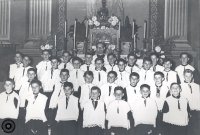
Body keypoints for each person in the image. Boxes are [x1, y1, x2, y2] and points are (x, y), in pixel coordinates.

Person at [181, 69, 200, 135]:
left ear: (192, 76)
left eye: (189, 76)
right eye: (186, 76)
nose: (188, 78)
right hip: (186, 111)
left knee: (196, 129)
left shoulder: (197, 86)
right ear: (183, 76)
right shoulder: (180, 86)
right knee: (186, 129)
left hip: (197, 112)